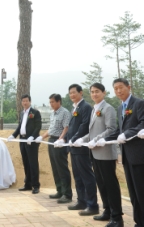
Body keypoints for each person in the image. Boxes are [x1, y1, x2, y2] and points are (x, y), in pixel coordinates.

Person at [80, 83, 123, 227]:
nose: (94, 94)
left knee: (111, 185)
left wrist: (96, 140)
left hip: (106, 153)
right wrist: (83, 139)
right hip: (95, 152)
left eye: (97, 91)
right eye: (92, 92)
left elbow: (111, 130)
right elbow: (92, 131)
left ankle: (117, 217)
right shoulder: (94, 109)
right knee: (101, 184)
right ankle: (107, 211)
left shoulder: (108, 108)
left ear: (104, 93)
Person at [110, 78, 144, 227]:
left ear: (128, 87)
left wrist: (128, 133)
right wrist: (102, 139)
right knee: (133, 193)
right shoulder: (120, 108)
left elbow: (143, 123)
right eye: (115, 88)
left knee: (141, 191)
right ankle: (139, 222)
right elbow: (119, 130)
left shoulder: (139, 103)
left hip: (138, 155)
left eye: (121, 87)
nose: (118, 91)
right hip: (126, 156)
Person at [66, 84, 99, 216]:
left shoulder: (85, 107)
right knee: (78, 176)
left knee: (87, 176)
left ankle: (92, 205)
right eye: (70, 93)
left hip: (81, 147)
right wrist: (67, 139)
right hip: (73, 147)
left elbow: (85, 125)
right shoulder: (75, 107)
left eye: (74, 92)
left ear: (81, 93)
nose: (72, 95)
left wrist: (74, 138)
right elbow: (71, 126)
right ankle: (81, 201)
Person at [36, 93, 72, 203]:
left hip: (59, 142)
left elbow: (66, 128)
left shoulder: (65, 112)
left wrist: (60, 139)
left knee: (62, 168)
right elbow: (51, 129)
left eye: (52, 102)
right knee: (55, 167)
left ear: (58, 101)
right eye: (50, 102)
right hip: (52, 141)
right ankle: (59, 190)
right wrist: (42, 137)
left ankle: (67, 194)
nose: (51, 104)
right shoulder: (52, 114)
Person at [8, 94, 41, 194]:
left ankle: (36, 185)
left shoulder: (35, 112)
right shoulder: (22, 113)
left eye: (26, 101)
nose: (25, 103)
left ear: (30, 101)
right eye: (23, 101)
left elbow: (38, 126)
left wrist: (33, 136)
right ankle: (28, 184)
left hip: (31, 141)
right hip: (22, 140)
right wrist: (13, 135)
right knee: (26, 163)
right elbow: (20, 126)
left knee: (33, 163)